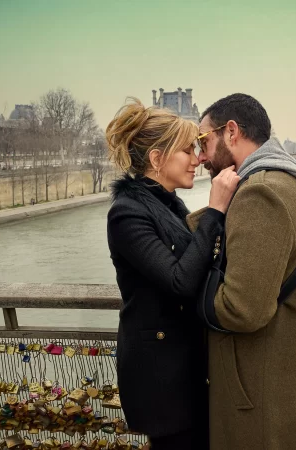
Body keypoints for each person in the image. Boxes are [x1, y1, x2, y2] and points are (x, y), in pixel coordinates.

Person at [190, 93, 296, 449]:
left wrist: (190, 285)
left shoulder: (261, 194)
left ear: (231, 132)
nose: (201, 157)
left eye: (203, 141)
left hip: (266, 399)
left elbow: (242, 311)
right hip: (291, 384)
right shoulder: (285, 182)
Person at [105, 98, 240, 450]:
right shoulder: (127, 214)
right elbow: (180, 281)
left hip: (185, 366)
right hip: (160, 377)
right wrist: (215, 209)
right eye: (186, 151)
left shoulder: (168, 203)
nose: (197, 159)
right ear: (156, 159)